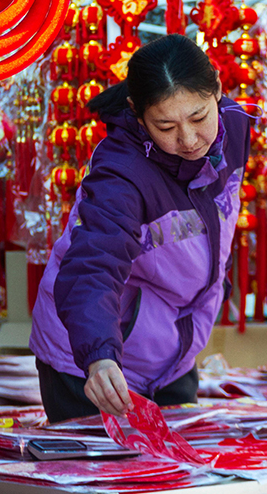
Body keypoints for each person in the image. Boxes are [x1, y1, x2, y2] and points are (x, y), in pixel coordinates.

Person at [29, 33, 251, 422]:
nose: (188, 139)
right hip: (93, 358)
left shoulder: (233, 127)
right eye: (165, 125)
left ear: (216, 90)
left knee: (181, 477)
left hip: (174, 350)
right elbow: (92, 265)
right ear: (137, 112)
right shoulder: (122, 173)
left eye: (198, 117)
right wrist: (98, 357)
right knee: (107, 480)